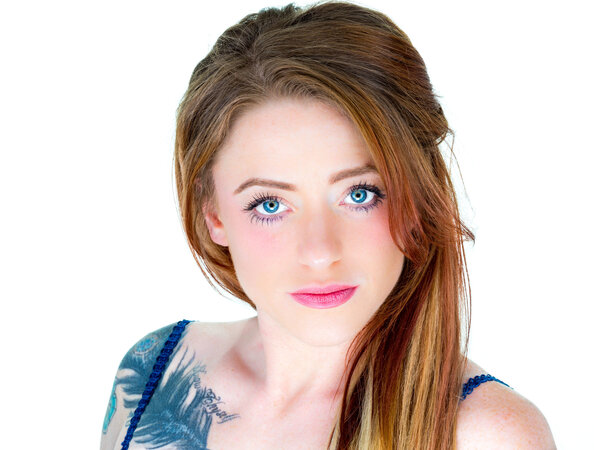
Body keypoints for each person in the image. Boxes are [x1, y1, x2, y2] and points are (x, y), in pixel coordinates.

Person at [100, 1, 556, 448]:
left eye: (359, 195)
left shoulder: (488, 434)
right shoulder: (152, 374)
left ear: (417, 198)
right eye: (270, 205)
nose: (320, 253)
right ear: (213, 213)